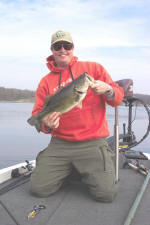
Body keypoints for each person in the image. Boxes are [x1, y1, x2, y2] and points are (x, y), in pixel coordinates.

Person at [30, 30, 124, 202]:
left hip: (92, 142)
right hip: (60, 144)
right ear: (52, 50)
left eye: (67, 45)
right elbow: (38, 115)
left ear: (73, 48)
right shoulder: (45, 82)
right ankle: (72, 168)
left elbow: (117, 99)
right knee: (38, 189)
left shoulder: (94, 68)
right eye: (58, 46)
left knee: (106, 195)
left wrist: (109, 90)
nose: (63, 50)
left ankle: (77, 169)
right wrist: (47, 125)